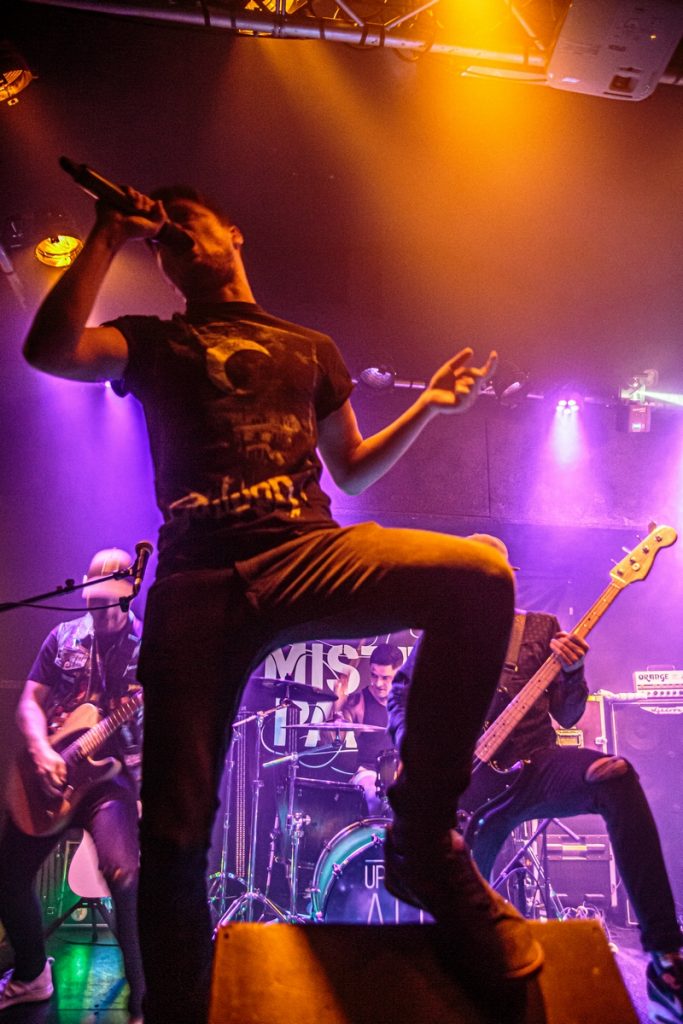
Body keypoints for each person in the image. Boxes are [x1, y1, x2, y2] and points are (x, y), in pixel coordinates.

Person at [22, 184, 543, 1024]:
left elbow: (353, 470)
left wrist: (426, 407)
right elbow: (50, 349)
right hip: (200, 579)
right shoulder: (153, 340)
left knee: (480, 576)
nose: (175, 238)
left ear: (233, 233)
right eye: (162, 238)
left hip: (306, 550)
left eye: (187, 223)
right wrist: (109, 232)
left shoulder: (309, 348)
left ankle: (421, 839)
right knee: (174, 835)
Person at [388, 534, 683, 1024]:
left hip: (534, 767)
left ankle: (666, 958)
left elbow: (568, 716)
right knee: (468, 911)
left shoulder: (541, 628)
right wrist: (412, 748)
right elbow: (400, 697)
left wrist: (575, 670)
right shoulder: (440, 635)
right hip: (469, 784)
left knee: (615, 775)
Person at [0, 548, 145, 1023]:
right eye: (92, 601)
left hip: (110, 782)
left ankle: (145, 1003)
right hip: (53, 769)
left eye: (106, 603)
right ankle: (31, 974)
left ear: (126, 598)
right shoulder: (63, 637)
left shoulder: (148, 650)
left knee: (125, 877)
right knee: (7, 877)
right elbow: (30, 703)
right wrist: (41, 752)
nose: (97, 611)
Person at [325, 642, 404, 815]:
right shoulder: (358, 701)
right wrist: (336, 707)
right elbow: (332, 739)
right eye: (374, 676)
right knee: (374, 796)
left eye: (385, 678)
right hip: (368, 772)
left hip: (402, 774)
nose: (378, 683)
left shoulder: (409, 701)